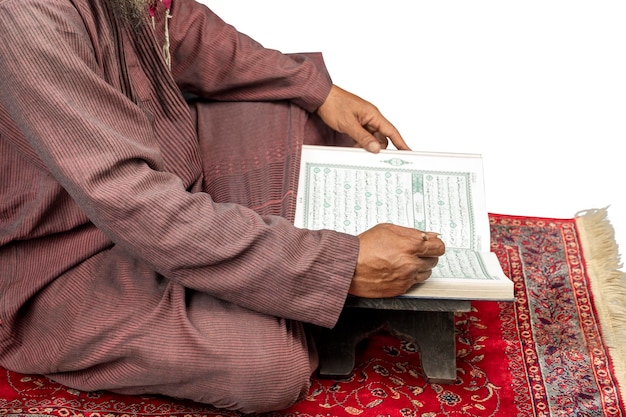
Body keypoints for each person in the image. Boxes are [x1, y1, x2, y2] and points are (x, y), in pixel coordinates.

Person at [0, 0, 445, 413]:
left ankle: (274, 280)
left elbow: (183, 28)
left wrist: (317, 90)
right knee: (271, 365)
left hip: (170, 173)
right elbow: (137, 206)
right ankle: (291, 288)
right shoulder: (25, 17)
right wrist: (336, 266)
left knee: (317, 124)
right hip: (64, 257)